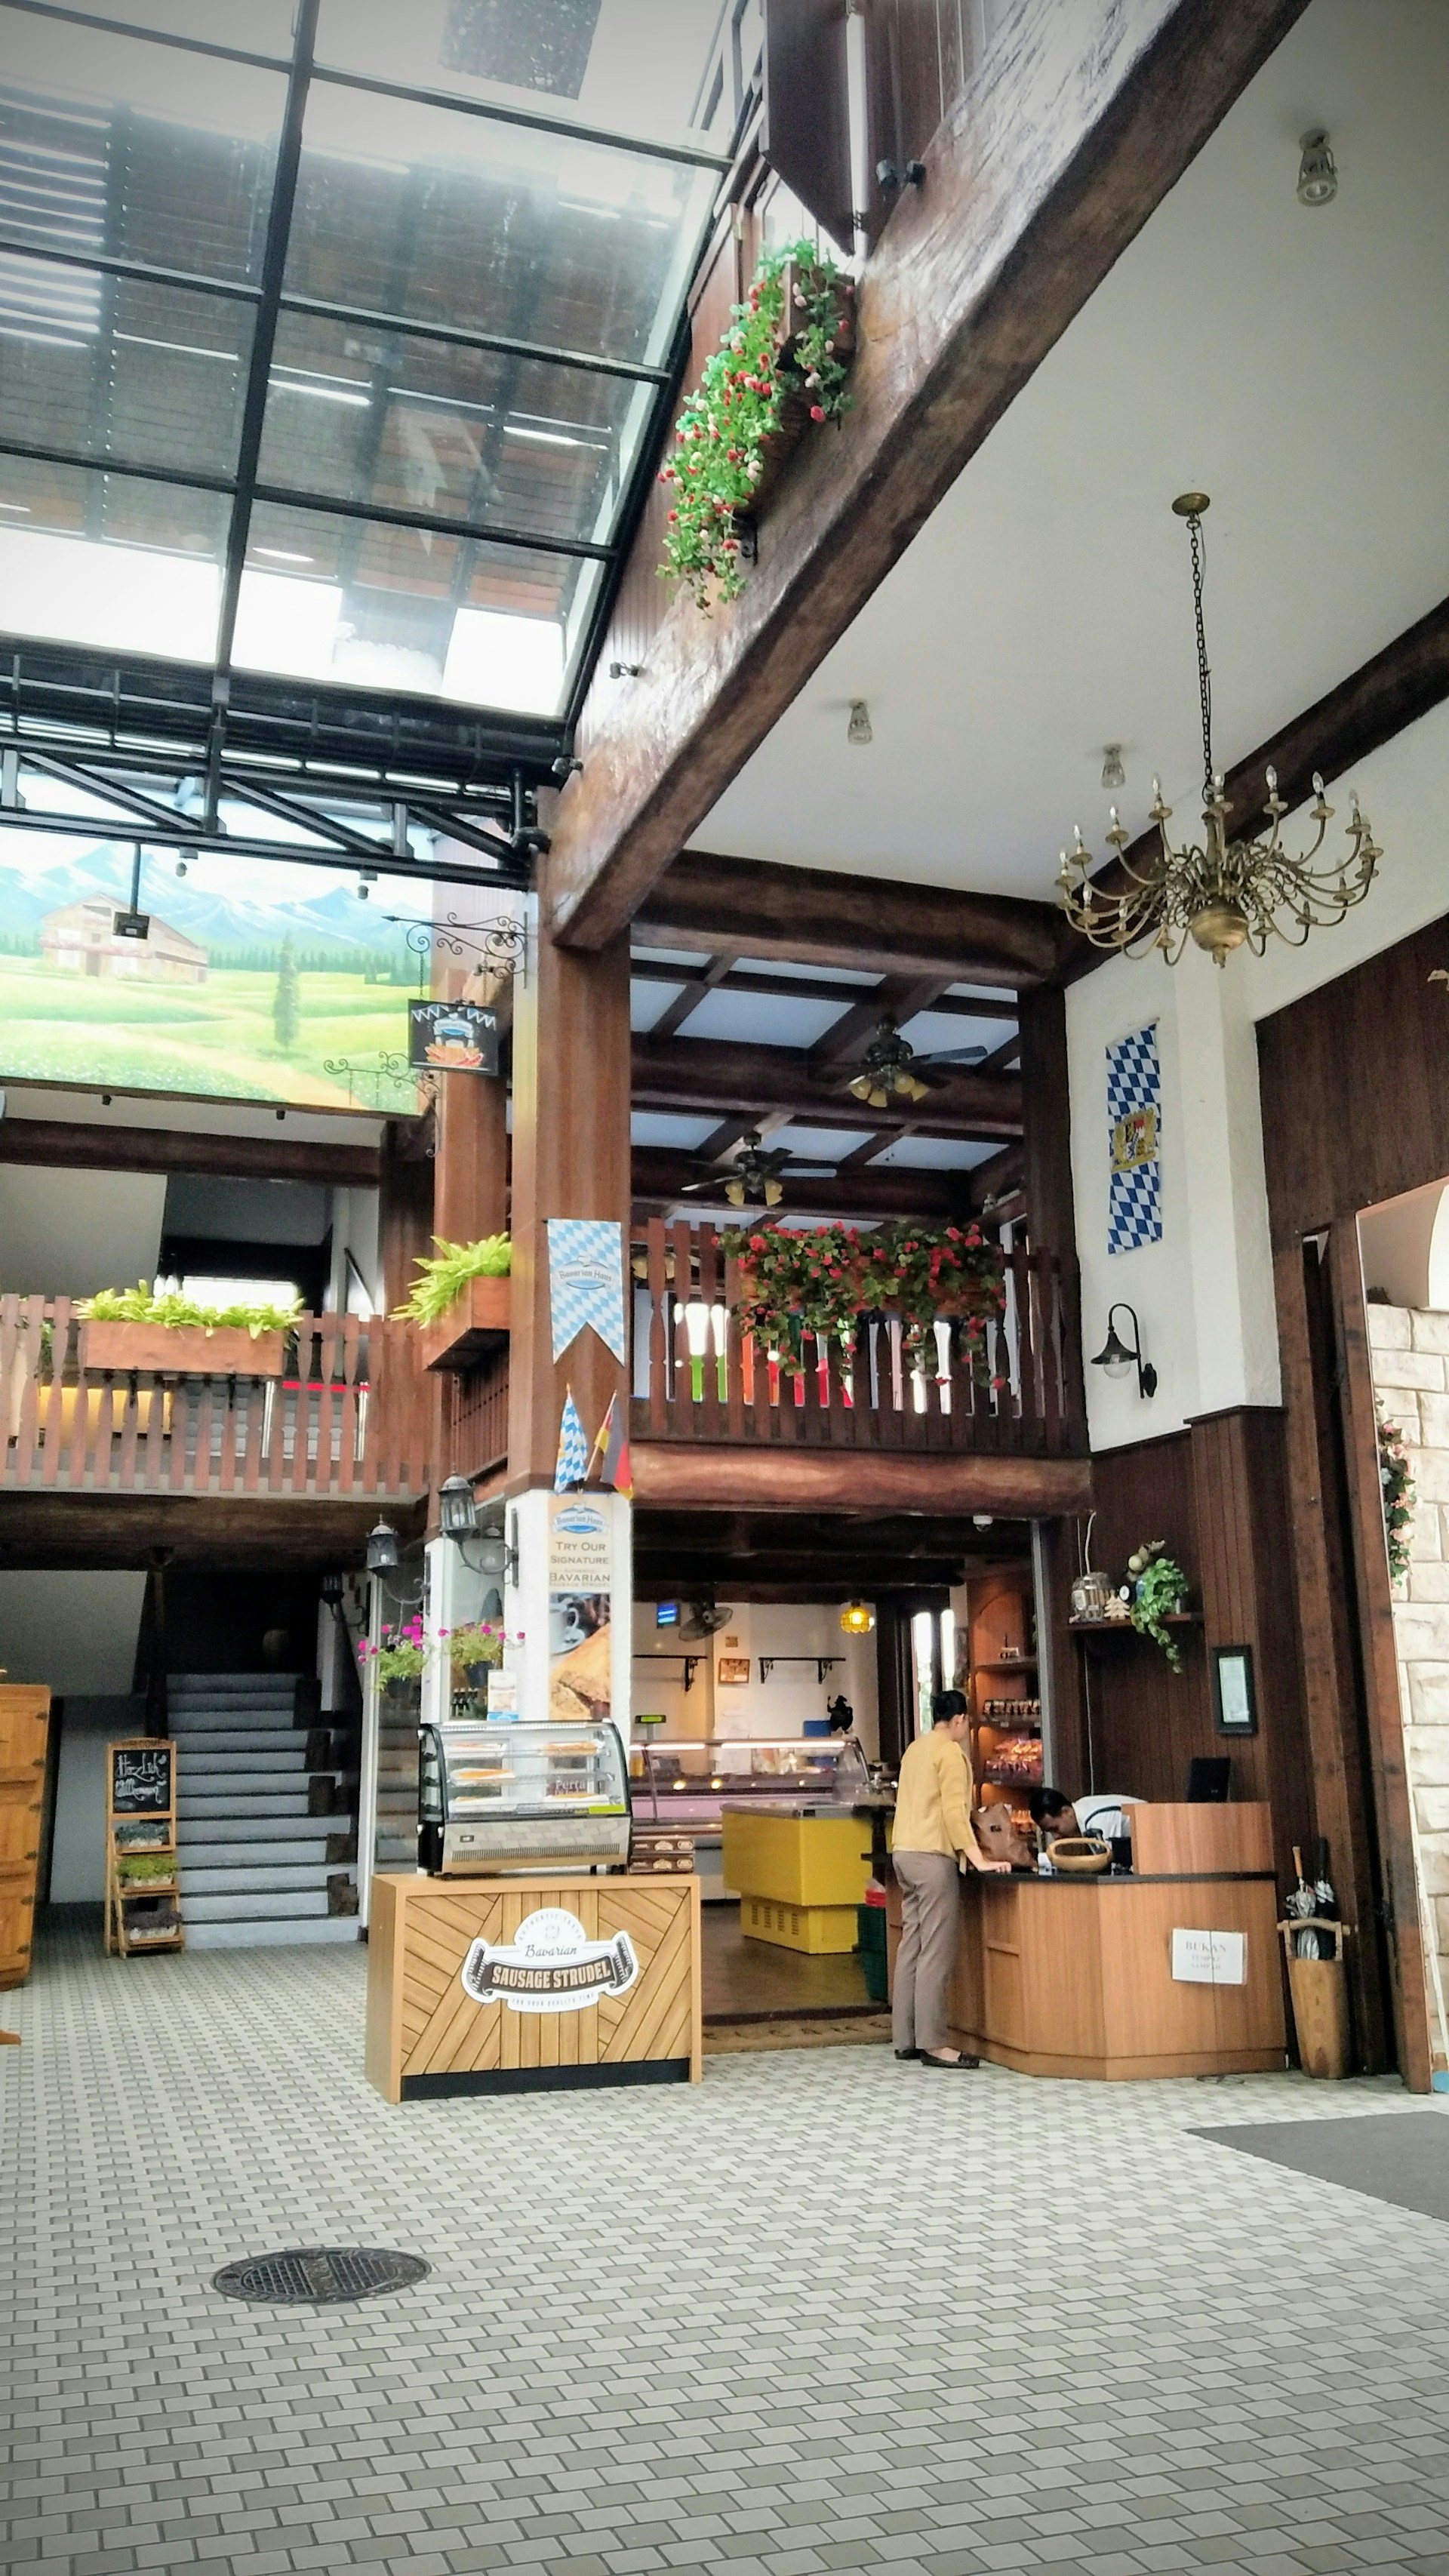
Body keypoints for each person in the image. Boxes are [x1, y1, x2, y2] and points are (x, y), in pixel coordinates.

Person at [891, 1689, 1011, 2067]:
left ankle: (905, 2038)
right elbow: (954, 1814)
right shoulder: (951, 1755)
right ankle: (933, 2044)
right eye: (967, 1721)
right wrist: (979, 1859)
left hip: (903, 1853)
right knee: (936, 1951)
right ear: (959, 1719)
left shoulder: (915, 1749)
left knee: (912, 1945)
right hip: (932, 1857)